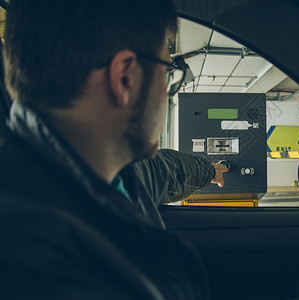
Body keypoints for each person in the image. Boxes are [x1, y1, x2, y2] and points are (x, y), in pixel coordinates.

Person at [0, 0, 228, 299]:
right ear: (124, 78)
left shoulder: (116, 170)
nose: (166, 90)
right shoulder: (41, 263)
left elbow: (169, 169)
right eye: (167, 74)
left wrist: (211, 170)